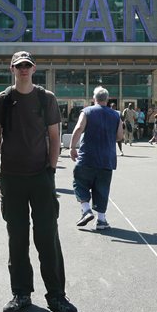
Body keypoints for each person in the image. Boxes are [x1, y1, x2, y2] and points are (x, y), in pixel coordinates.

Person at [0, 51, 77, 312]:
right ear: (12, 69)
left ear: (33, 68)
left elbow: (54, 137)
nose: (23, 69)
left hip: (40, 178)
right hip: (11, 178)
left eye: (27, 65)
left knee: (48, 237)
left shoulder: (46, 98)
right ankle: (21, 293)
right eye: (18, 66)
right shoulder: (2, 100)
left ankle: (56, 295)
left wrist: (50, 171)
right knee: (18, 237)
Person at [70, 86, 123, 231]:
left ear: (94, 98)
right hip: (107, 159)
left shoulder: (87, 111)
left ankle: (86, 210)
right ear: (107, 99)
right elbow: (120, 136)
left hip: (87, 157)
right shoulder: (116, 115)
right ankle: (101, 220)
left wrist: (72, 147)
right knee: (102, 189)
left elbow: (79, 128)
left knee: (79, 183)